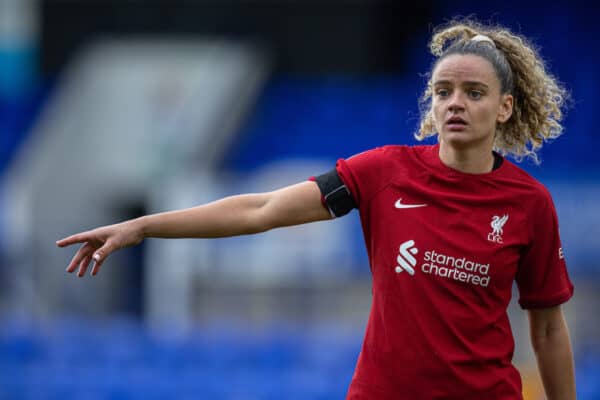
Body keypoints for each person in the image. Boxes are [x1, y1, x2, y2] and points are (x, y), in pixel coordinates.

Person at [57, 18, 576, 400]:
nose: (455, 102)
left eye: (473, 92)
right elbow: (259, 209)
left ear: (504, 106)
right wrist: (143, 226)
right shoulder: (382, 173)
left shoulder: (528, 204)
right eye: (443, 91)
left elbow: (548, 328)